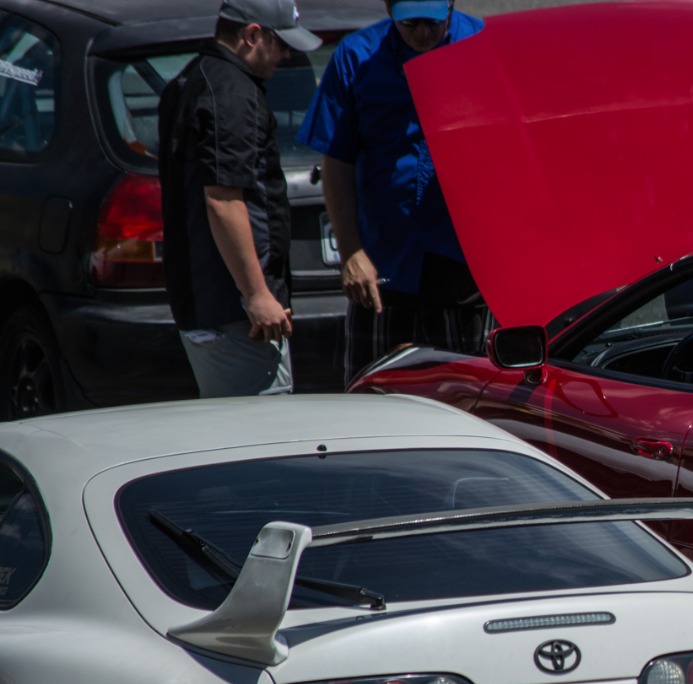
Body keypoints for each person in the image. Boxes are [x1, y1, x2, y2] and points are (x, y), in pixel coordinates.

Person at [297, 0, 487, 386]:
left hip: (466, 268)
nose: (423, 34)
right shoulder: (357, 57)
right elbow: (337, 159)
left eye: (432, 23)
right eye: (410, 24)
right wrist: (350, 251)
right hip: (385, 267)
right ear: (388, 9)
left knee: (470, 404)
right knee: (377, 402)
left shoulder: (483, 45)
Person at [158, 0, 318, 397]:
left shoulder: (196, 77)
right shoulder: (230, 91)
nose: (285, 55)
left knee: (238, 432)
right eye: (281, 43)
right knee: (263, 438)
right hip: (234, 311)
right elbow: (223, 200)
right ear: (251, 35)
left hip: (214, 302)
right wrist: (258, 294)